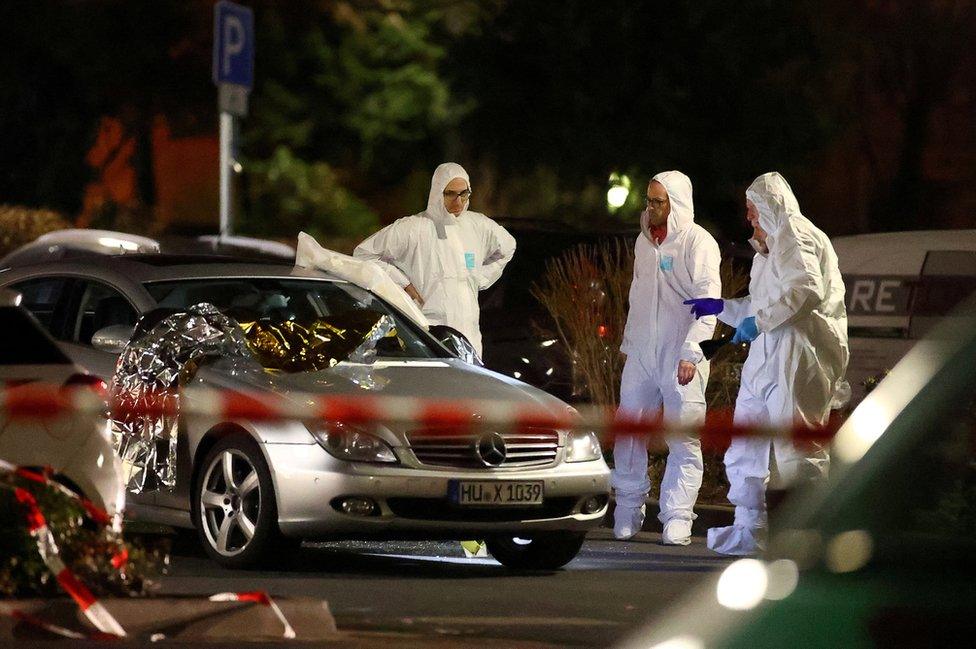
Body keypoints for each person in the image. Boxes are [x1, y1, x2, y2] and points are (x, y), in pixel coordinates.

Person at [685, 172, 849, 556]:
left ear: (771, 208)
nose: (749, 219)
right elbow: (761, 307)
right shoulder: (771, 250)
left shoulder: (797, 233)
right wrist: (722, 307)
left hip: (800, 354)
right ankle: (750, 529)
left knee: (797, 448)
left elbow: (806, 291)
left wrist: (756, 323)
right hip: (769, 354)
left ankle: (806, 538)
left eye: (753, 211)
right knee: (747, 442)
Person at [613, 171, 722, 545]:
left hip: (681, 353)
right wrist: (631, 343)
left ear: (677, 203)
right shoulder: (644, 243)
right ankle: (628, 506)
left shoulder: (698, 243)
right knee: (630, 430)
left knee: (683, 436)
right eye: (649, 200)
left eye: (659, 201)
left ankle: (677, 516)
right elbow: (638, 295)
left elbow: (709, 302)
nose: (651, 207)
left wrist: (692, 351)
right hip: (643, 352)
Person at [353, 163, 516, 356]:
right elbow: (363, 254)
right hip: (427, 337)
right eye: (450, 194)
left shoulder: (478, 226)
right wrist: (402, 282)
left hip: (470, 339)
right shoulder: (413, 228)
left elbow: (508, 246)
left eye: (464, 193)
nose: (458, 201)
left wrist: (480, 277)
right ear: (438, 192)